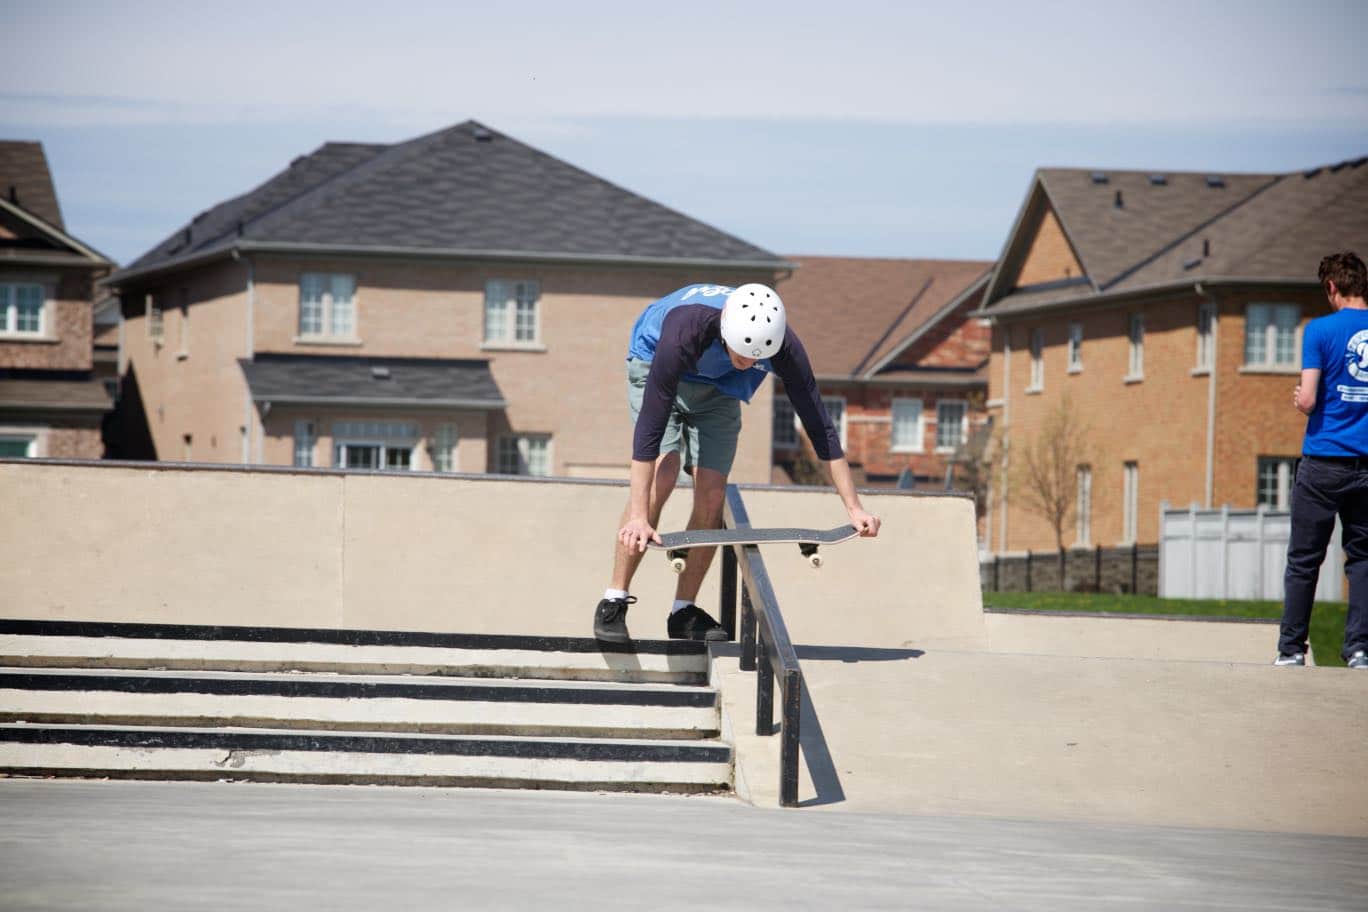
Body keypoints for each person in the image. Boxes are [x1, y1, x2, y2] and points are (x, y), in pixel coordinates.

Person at [594, 282, 881, 643]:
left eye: (755, 360)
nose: (748, 364)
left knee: (713, 493)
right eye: (742, 355)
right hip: (655, 362)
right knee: (664, 474)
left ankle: (683, 611)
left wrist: (854, 507)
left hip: (718, 387)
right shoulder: (684, 330)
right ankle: (614, 599)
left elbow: (819, 426)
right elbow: (649, 430)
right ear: (728, 333)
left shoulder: (784, 347)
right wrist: (638, 514)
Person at [1277, 250, 1368, 668]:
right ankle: (1359, 650)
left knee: (1304, 560)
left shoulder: (1319, 331)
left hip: (1323, 463)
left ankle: (1292, 650)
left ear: (1332, 287)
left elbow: (1310, 399)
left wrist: (1301, 399)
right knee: (1364, 558)